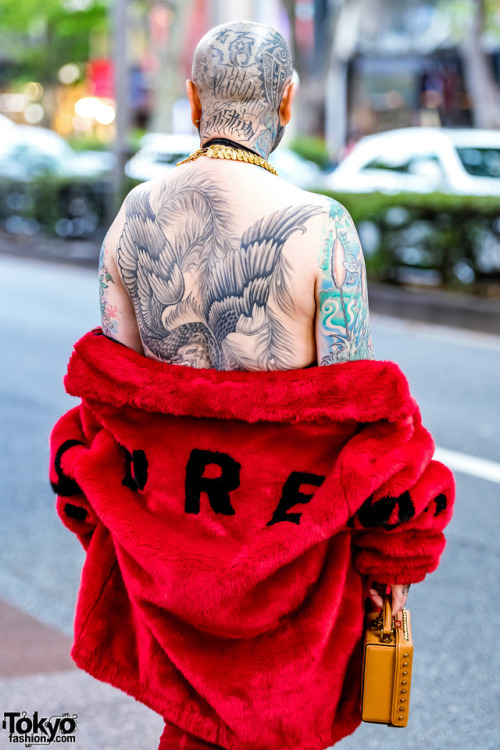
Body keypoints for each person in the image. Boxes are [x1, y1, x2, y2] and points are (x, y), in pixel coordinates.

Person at [51, 21, 453, 750]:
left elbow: (114, 407)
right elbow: (366, 426)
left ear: (194, 97)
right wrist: (395, 554)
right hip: (287, 557)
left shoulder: (132, 220)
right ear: (289, 102)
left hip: (173, 553)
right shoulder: (321, 229)